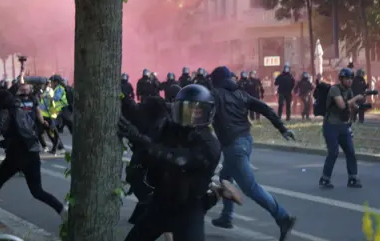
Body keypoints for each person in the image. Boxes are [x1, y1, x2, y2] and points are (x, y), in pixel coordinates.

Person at [119, 84, 237, 241]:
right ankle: (217, 193)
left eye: (198, 111)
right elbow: (147, 136)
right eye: (187, 110)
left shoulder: (209, 144)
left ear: (208, 112)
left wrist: (140, 139)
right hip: (160, 203)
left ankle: (215, 194)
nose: (192, 115)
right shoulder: (167, 128)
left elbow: (178, 160)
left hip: (189, 210)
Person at [208, 66, 296, 241]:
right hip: (246, 141)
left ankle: (283, 217)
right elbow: (266, 109)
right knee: (225, 176)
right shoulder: (241, 94)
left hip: (234, 146)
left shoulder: (215, 94)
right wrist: (282, 129)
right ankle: (226, 217)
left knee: (251, 188)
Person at [0, 89, 67, 218]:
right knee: (37, 191)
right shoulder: (19, 110)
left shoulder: (3, 113)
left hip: (16, 157)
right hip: (32, 154)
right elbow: (24, 132)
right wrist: (7, 142)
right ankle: (62, 210)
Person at [319, 68, 364, 189]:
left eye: (351, 79)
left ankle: (353, 177)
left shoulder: (349, 91)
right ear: (341, 79)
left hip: (343, 126)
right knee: (333, 152)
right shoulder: (335, 89)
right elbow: (342, 105)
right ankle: (325, 179)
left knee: (350, 151)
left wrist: (361, 104)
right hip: (331, 126)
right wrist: (356, 98)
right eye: (347, 78)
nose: (349, 81)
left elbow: (353, 106)